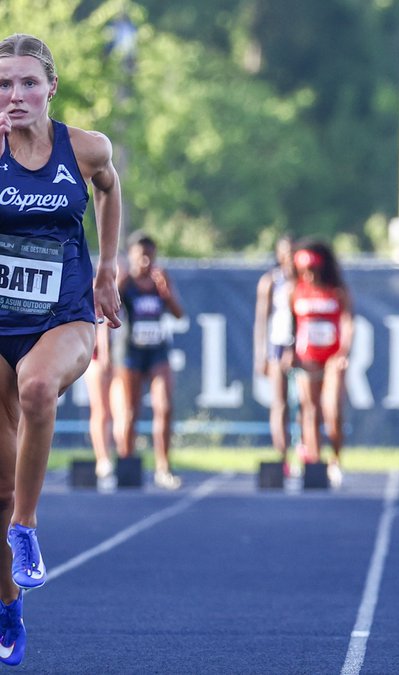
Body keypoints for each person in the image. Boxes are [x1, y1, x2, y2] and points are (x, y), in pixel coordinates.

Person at [0, 33, 123, 665]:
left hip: (63, 313)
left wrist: (107, 267)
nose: (13, 96)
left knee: (39, 388)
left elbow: (108, 187)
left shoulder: (86, 148)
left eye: (25, 83)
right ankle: (7, 604)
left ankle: (26, 526)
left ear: (50, 86)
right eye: (2, 85)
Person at [113, 232, 185, 490]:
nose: (145, 259)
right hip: (131, 351)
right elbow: (110, 308)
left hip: (157, 351)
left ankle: (163, 468)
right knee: (130, 412)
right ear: (131, 255)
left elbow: (179, 314)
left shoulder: (160, 281)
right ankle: (127, 464)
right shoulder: (127, 281)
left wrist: (166, 291)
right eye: (140, 254)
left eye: (149, 254)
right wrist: (119, 284)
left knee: (164, 406)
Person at [290, 240, 353, 489]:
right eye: (305, 270)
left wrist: (344, 352)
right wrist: (289, 352)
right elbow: (289, 325)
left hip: (332, 358)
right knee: (310, 411)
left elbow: (348, 321)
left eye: (313, 269)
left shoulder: (337, 291)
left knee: (332, 410)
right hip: (306, 358)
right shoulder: (295, 291)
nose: (309, 275)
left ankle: (336, 460)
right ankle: (315, 463)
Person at [253, 235, 297, 471]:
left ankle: (307, 453)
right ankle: (282, 457)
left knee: (306, 405)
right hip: (276, 344)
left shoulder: (304, 280)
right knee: (279, 403)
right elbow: (262, 321)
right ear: (279, 255)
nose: (289, 257)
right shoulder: (271, 281)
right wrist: (260, 356)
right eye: (285, 252)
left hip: (301, 345)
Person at [83, 325, 116, 484]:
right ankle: (102, 459)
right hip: (98, 356)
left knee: (118, 411)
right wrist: (104, 352)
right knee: (100, 410)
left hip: (122, 355)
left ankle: (120, 457)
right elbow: (101, 323)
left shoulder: (128, 300)